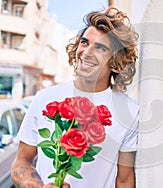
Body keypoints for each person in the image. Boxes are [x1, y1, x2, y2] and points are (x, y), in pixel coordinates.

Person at [11, 7, 139, 188]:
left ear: (115, 60)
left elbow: (125, 180)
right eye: (85, 42)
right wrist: (35, 186)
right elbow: (21, 162)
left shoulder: (130, 111)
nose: (86, 52)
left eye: (100, 48)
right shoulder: (45, 98)